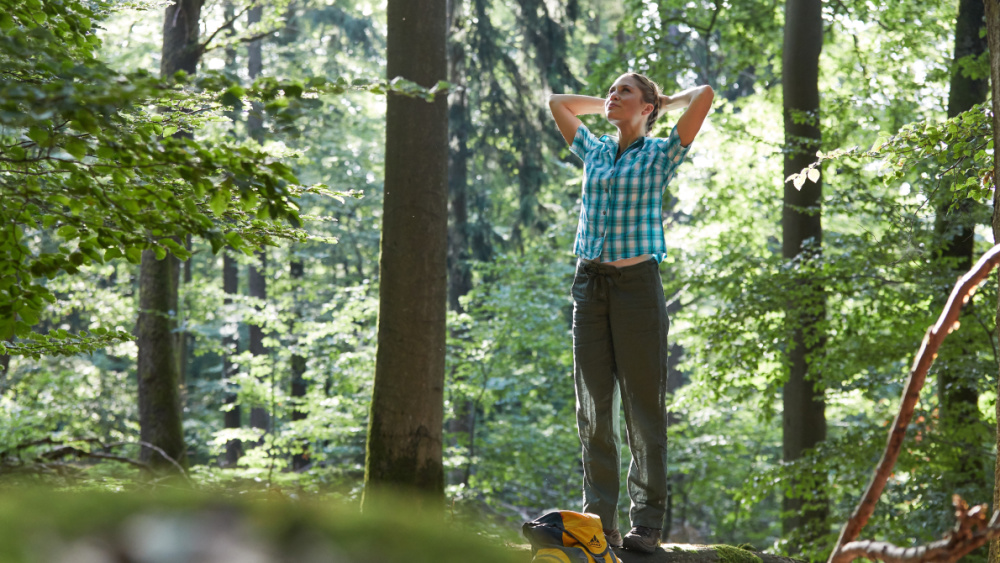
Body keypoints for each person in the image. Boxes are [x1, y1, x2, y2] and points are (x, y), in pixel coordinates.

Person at [547, 73, 713, 553]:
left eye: (625, 92)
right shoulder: (595, 150)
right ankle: (599, 521)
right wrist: (609, 105)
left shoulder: (662, 153)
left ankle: (647, 524)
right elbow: (558, 102)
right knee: (593, 409)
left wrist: (663, 99)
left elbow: (703, 97)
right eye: (611, 91)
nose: (613, 96)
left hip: (638, 290)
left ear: (648, 107)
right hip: (589, 287)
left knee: (643, 408)